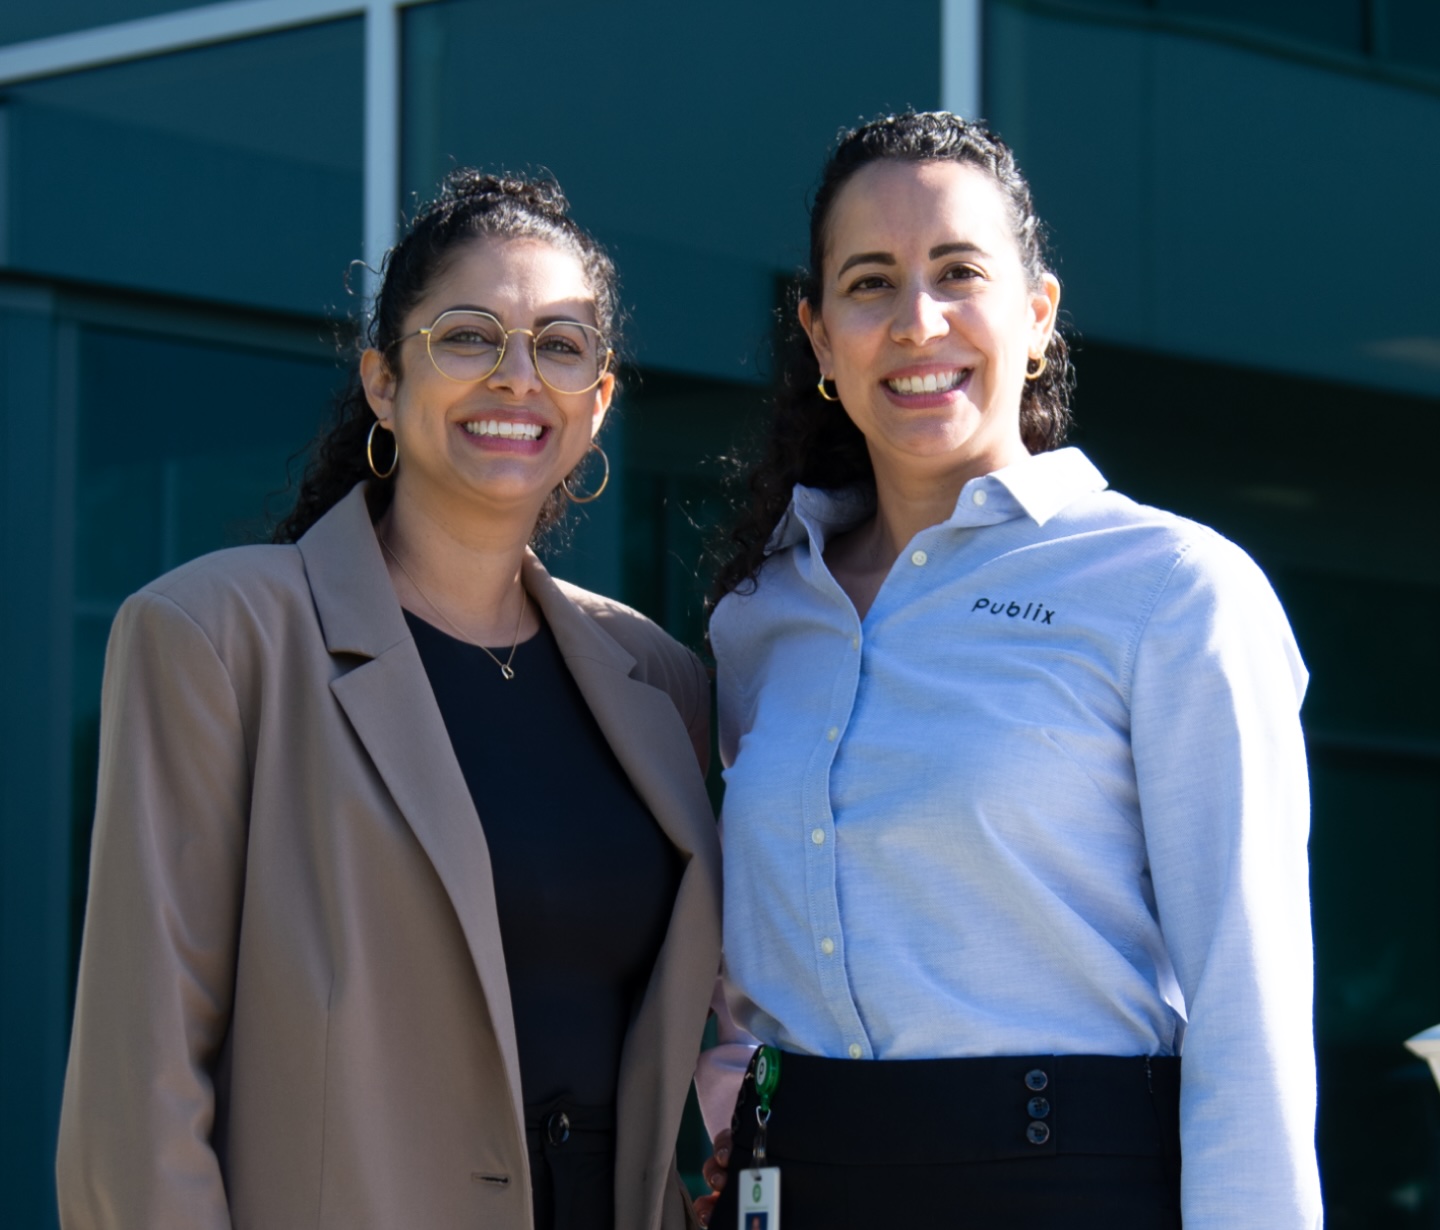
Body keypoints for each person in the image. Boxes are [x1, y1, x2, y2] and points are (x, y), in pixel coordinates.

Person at [56, 170, 721, 1230]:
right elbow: (141, 1097)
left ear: (597, 402)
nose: (515, 377)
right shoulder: (218, 637)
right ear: (381, 381)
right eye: (468, 337)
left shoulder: (658, 678)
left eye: (558, 346)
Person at [695, 112, 1320, 1228]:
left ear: (1037, 316)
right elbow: (753, 976)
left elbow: (1249, 1003)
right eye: (871, 284)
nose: (917, 320)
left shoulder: (1172, 590)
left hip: (1068, 1189)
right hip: (797, 1190)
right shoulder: (759, 618)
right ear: (821, 338)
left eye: (959, 273)